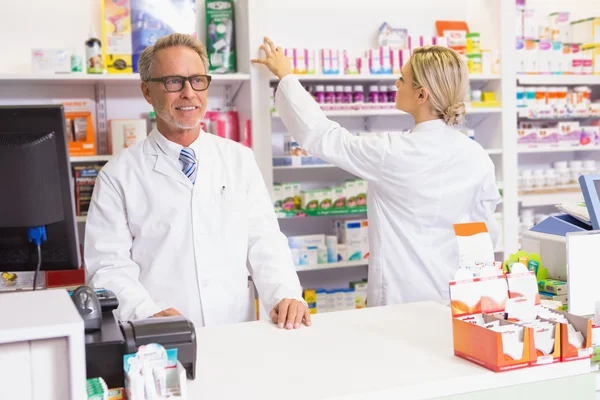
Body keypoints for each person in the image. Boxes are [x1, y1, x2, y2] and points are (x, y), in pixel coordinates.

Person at [252, 37, 501, 307]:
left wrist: (286, 76)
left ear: (421, 95)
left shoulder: (393, 152)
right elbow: (487, 232)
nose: (396, 84)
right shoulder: (476, 156)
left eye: (402, 79)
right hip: (454, 293)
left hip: (400, 296)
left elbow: (325, 137)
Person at [85, 33, 310, 330]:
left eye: (197, 80)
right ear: (147, 92)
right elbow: (108, 266)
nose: (188, 93)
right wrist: (146, 312)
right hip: (160, 339)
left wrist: (285, 295)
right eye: (173, 82)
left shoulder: (238, 159)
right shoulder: (118, 175)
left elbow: (264, 241)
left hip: (234, 330)